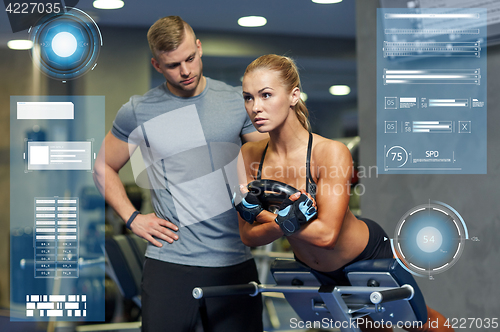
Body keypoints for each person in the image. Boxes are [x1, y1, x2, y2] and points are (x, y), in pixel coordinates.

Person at [235, 54, 453, 332]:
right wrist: (287, 219)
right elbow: (247, 235)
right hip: (316, 270)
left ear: (294, 95)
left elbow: (327, 235)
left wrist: (266, 217)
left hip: (365, 256)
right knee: (370, 329)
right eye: (248, 97)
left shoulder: (329, 152)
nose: (256, 107)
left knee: (419, 325)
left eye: (266, 95)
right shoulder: (250, 154)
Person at [93, 16, 267, 332]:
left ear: (199, 48)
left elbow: (269, 162)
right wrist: (133, 218)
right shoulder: (138, 110)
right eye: (173, 65)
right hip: (171, 265)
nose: (185, 71)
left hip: (234, 261)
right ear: (157, 65)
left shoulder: (236, 101)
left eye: (190, 58)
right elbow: (102, 166)